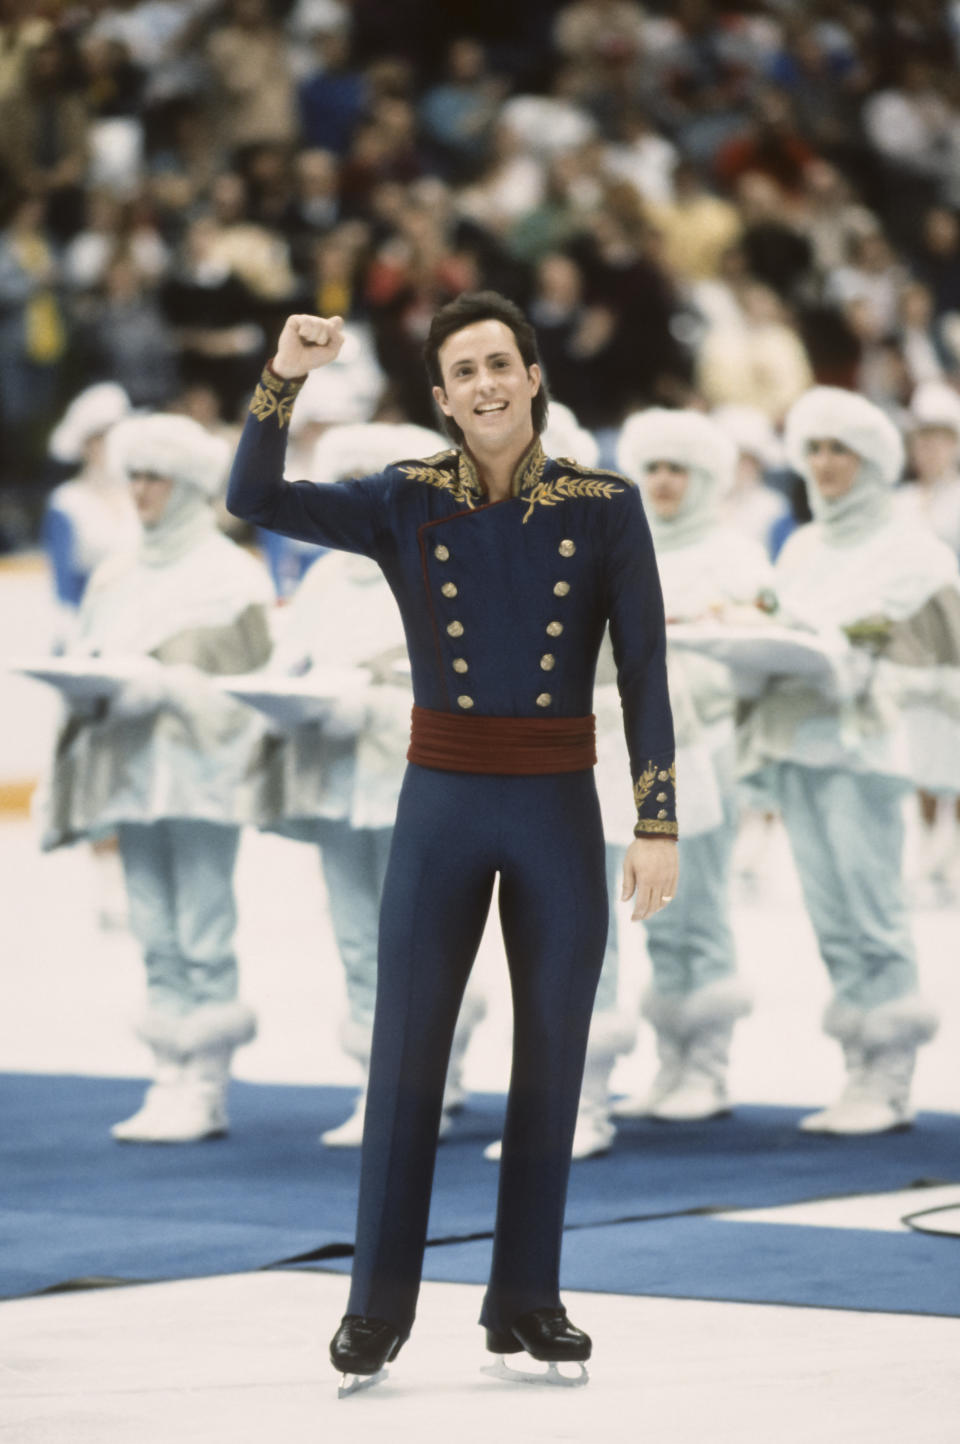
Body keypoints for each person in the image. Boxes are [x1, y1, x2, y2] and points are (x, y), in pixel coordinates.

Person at [226, 292, 677, 1391]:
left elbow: (647, 675)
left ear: (533, 375)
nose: (483, 385)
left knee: (553, 1060)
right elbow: (255, 494)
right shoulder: (403, 499)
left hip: (559, 808)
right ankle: (376, 1307)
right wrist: (285, 373)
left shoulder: (605, 505)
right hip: (442, 802)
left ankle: (526, 1297)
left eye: (499, 364)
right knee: (407, 1055)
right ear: (440, 397)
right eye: (461, 372)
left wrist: (655, 817)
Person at [39, 412, 273, 1143]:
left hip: (201, 777)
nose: (137, 489)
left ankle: (206, 1077)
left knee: (203, 923)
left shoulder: (232, 575)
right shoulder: (116, 570)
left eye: (152, 476)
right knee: (151, 924)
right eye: (132, 475)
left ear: (189, 484)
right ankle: (168, 1070)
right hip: (130, 771)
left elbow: (255, 690)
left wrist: (166, 689)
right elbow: (89, 659)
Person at [256, 419, 487, 1148]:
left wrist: (376, 703)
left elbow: (473, 681)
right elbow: (289, 661)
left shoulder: (447, 560)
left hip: (418, 778)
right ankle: (382, 1079)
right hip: (337, 779)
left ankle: (429, 1075)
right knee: (359, 936)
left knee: (424, 933)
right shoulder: (324, 577)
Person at [739, 386, 960, 1134]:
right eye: (815, 450)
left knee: (872, 908)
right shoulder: (801, 548)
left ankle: (892, 1071)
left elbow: (948, 667)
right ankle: (859, 1067)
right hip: (796, 742)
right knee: (830, 913)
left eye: (842, 451)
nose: (826, 464)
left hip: (867, 751)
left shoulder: (916, 554)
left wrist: (869, 672)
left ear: (874, 461)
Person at [606, 409, 770, 1124]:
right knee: (658, 911)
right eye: (656, 468)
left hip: (709, 752)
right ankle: (672, 1063)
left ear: (705, 479)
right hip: (636, 754)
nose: (666, 482)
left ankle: (709, 1065)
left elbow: (758, 654)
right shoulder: (621, 544)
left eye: (680, 470)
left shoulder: (735, 555)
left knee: (699, 907)